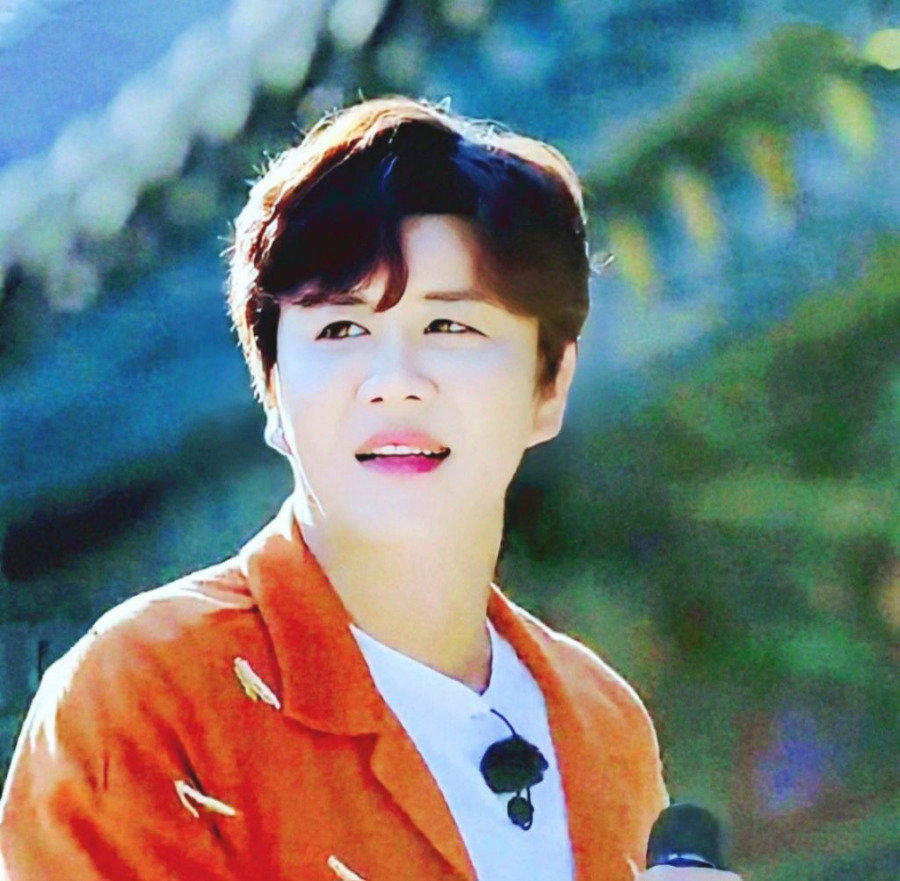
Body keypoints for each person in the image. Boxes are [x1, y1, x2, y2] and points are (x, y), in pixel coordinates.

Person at [0, 96, 740, 880]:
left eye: (450, 327)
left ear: (548, 384)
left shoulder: (603, 723)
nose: (395, 382)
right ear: (273, 390)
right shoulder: (149, 692)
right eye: (340, 330)